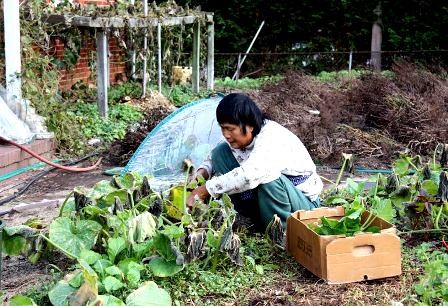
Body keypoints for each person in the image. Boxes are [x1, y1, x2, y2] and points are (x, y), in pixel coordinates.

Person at [187, 93, 322, 229]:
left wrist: (206, 190)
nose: (226, 134)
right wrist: (201, 173)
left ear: (250, 126)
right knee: (220, 153)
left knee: (268, 178)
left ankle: (279, 231)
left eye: (230, 129)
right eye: (222, 128)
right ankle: (246, 217)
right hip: (269, 197)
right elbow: (212, 157)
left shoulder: (272, 137)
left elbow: (250, 175)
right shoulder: (243, 135)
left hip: (303, 207)